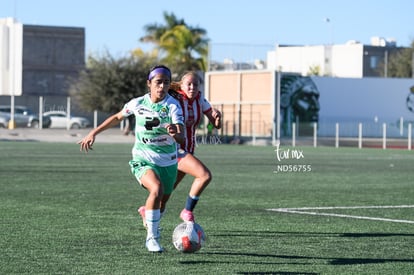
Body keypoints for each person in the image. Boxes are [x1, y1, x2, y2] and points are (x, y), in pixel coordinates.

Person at [78, 65, 184, 253]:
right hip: (142, 158)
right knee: (156, 189)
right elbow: (117, 117)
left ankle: (149, 215)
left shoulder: (173, 106)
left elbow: (181, 136)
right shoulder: (137, 103)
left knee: (163, 201)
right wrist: (94, 132)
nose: (162, 86)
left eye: (166, 83)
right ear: (149, 83)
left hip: (168, 160)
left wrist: (176, 134)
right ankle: (152, 237)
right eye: (158, 82)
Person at [138, 71, 221, 225]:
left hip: (188, 150)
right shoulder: (173, 98)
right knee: (204, 175)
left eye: (195, 84)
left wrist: (217, 117)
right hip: (175, 149)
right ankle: (187, 211)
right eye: (188, 84)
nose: (192, 87)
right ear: (181, 85)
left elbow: (216, 124)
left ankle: (148, 212)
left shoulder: (200, 99)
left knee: (165, 195)